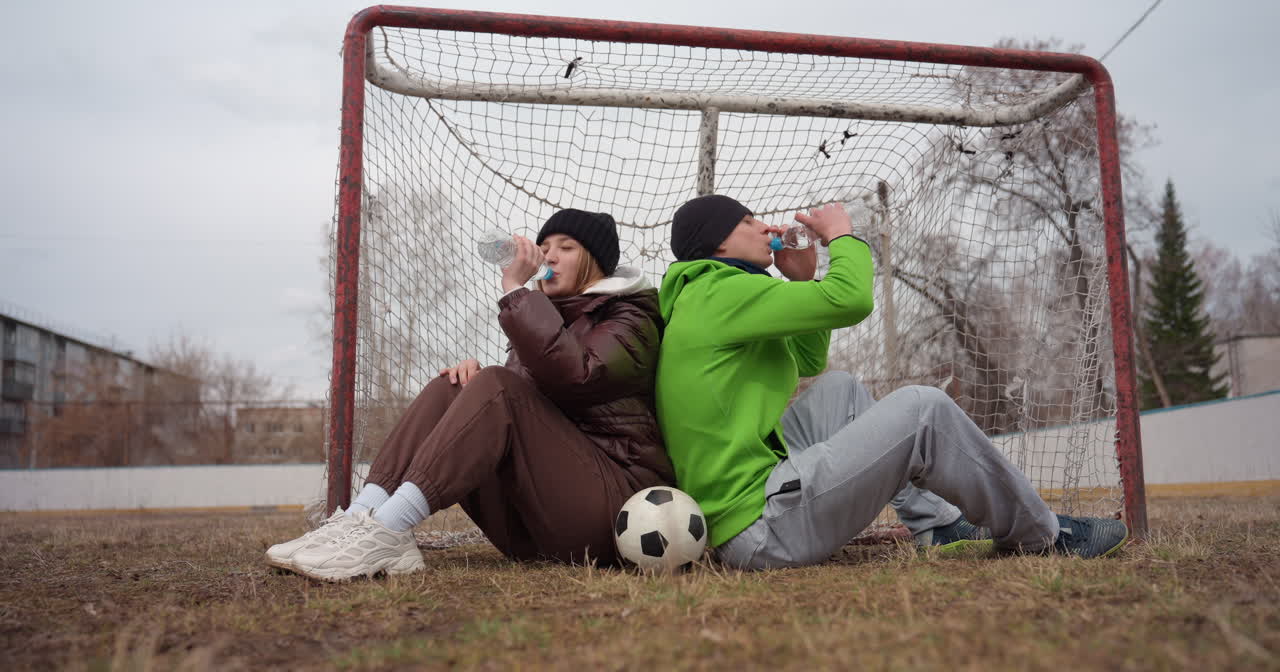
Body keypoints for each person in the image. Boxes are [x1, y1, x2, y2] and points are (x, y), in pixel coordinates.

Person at [654, 194, 1129, 571]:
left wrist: (803, 282)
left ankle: (938, 527)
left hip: (745, 511)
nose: (764, 227)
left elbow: (807, 360)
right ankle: (1043, 535)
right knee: (922, 408)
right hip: (760, 529)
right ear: (717, 244)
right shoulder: (720, 289)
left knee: (837, 388)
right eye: (746, 222)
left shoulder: (708, 294)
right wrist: (843, 237)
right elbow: (852, 300)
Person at [267, 209, 674, 580]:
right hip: (538, 522)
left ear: (595, 263)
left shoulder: (629, 315)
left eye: (566, 248)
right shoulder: (542, 317)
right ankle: (362, 519)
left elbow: (578, 375)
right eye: (545, 247)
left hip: (610, 508)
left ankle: (389, 528)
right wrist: (477, 386)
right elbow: (528, 404)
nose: (549, 257)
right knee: (455, 384)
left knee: (494, 383)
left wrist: (515, 290)